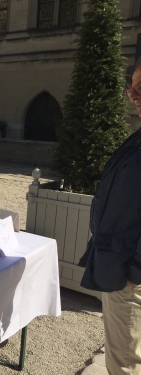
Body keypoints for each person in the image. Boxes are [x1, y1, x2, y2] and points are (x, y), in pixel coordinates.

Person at [78, 62, 141, 374]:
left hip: (131, 280)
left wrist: (135, 272)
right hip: (122, 269)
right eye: (132, 87)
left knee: (125, 365)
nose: (133, 94)